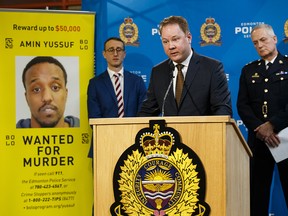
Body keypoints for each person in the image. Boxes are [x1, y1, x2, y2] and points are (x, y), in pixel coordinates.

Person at [237, 24, 288, 215]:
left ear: (275, 39)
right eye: (255, 42)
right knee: (257, 194)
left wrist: (273, 125)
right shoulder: (248, 70)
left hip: (285, 137)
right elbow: (243, 105)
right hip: (259, 141)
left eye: (263, 40)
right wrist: (261, 129)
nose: (260, 45)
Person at [138, 16, 232, 117]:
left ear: (189, 37)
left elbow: (222, 111)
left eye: (175, 39)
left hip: (202, 132)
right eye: (165, 41)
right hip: (169, 132)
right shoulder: (158, 72)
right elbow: (147, 111)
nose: (171, 46)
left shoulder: (212, 68)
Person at [87, 37, 146, 157]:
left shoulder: (137, 82)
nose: (115, 53)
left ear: (124, 54)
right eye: (111, 50)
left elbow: (143, 114)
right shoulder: (95, 84)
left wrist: (129, 136)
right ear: (104, 54)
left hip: (133, 143)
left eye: (119, 49)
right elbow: (94, 117)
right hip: (104, 144)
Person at [16, 56, 80, 128]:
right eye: (36, 89)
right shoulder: (5, 135)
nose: (47, 98)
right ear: (26, 97)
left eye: (55, 87)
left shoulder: (90, 132)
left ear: (66, 94)